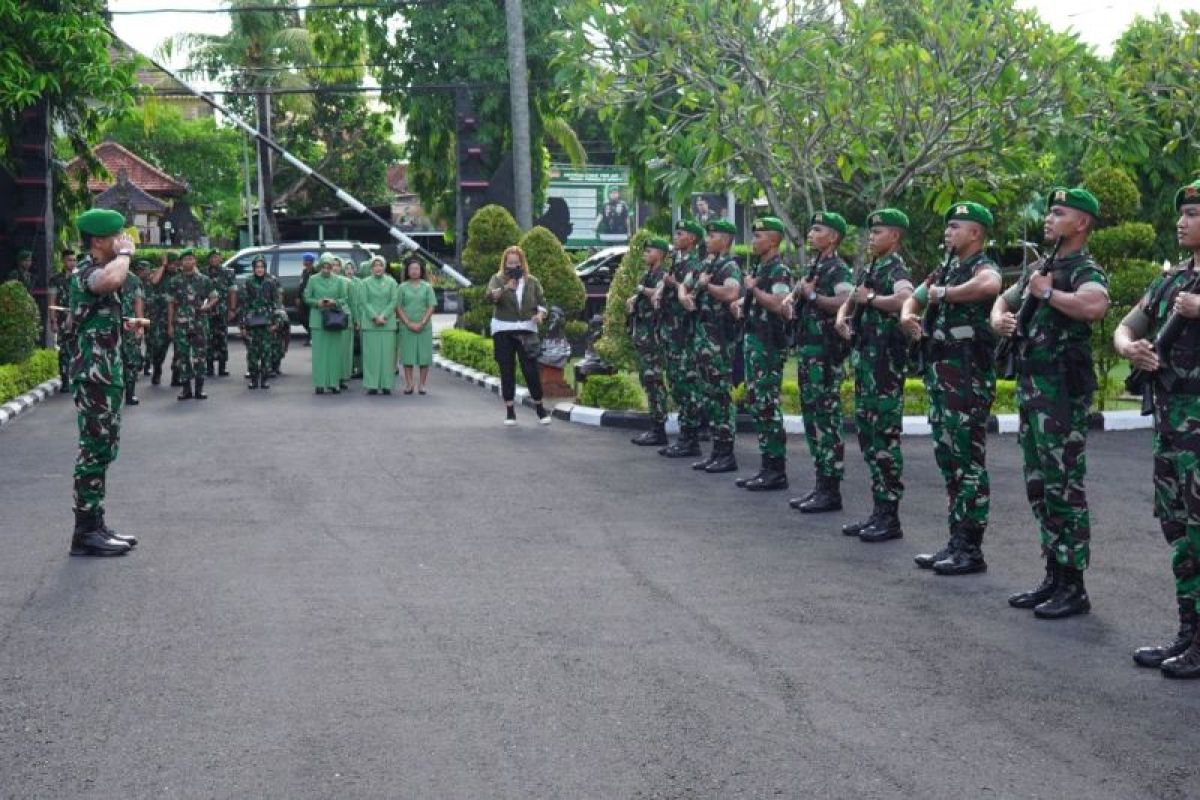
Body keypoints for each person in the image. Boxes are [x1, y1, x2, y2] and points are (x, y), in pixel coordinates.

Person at [991, 187, 1109, 619]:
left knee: (1065, 489)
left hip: (1061, 396)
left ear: (1081, 223)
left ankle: (1074, 585)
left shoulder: (1082, 268)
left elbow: (1095, 305)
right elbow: (1005, 298)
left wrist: (1046, 294)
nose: (1048, 219)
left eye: (1058, 213)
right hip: (1033, 394)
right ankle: (1053, 575)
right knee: (1039, 487)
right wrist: (998, 317)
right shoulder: (1044, 267)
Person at [1115, 179, 1200, 677]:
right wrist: (1131, 348)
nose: (1182, 222)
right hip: (1173, 430)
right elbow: (1127, 324)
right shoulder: (1171, 282)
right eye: (1183, 215)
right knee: (1181, 533)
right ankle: (1189, 632)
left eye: (1193, 214)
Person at [901, 202, 1002, 575]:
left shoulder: (980, 266)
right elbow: (917, 296)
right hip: (942, 375)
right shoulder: (946, 268)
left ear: (976, 233)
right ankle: (955, 539)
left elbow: (991, 285)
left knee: (968, 461)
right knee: (949, 460)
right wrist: (908, 315)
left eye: (956, 226)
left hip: (967, 377)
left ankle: (971, 548)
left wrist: (944, 294)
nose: (948, 232)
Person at [835, 209, 914, 542]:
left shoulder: (896, 269)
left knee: (884, 441)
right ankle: (878, 511)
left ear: (894, 236)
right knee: (869, 439)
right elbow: (855, 297)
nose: (871, 237)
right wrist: (843, 316)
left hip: (885, 369)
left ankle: (889, 516)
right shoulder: (872, 267)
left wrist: (873, 299)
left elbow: (905, 298)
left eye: (877, 232)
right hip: (867, 366)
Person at [66, 208, 137, 556]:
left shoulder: (99, 269)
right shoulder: (87, 272)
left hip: (105, 373)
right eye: (116, 237)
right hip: (94, 375)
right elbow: (110, 281)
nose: (123, 241)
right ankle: (84, 534)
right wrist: (125, 254)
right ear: (98, 241)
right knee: (92, 450)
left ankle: (96, 523)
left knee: (105, 448)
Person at [787, 212, 853, 513]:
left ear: (833, 237)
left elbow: (844, 302)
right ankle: (820, 485)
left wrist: (812, 296)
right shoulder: (815, 266)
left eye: (818, 229)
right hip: (809, 354)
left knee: (826, 420)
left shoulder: (838, 269)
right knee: (812, 420)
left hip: (825, 356)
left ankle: (831, 489)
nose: (811, 233)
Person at [735, 216, 793, 491]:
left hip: (768, 346)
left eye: (759, 236)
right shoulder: (762, 267)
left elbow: (779, 304)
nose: (754, 241)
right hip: (755, 343)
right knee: (758, 404)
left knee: (768, 405)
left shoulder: (779, 270)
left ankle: (775, 470)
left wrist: (753, 289)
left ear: (773, 240)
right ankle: (766, 467)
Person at [681, 220, 742, 473]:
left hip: (719, 342)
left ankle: (726, 453)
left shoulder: (729, 266)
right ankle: (716, 451)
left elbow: (731, 294)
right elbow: (688, 287)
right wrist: (687, 296)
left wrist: (707, 286)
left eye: (713, 235)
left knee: (720, 397)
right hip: (703, 339)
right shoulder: (708, 264)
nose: (707, 239)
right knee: (709, 395)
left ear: (726, 240)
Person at [656, 219, 706, 456]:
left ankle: (691, 439)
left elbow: (691, 295)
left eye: (681, 233)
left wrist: (672, 283)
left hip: (684, 334)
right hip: (671, 332)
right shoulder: (675, 262)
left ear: (692, 239)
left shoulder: (695, 265)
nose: (676, 237)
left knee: (688, 386)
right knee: (677, 383)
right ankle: (685, 437)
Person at [486, 245, 551, 425]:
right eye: (510, 262)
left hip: (527, 330)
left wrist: (540, 315)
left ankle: (539, 407)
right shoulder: (497, 279)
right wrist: (507, 287)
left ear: (522, 263)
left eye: (517, 262)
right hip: (503, 329)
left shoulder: (532, 281)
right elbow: (490, 298)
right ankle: (510, 410)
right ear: (505, 263)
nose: (514, 266)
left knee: (531, 370)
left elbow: (543, 303)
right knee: (506, 370)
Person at [626, 237, 671, 446]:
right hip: (643, 336)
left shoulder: (663, 275)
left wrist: (641, 291)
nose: (645, 254)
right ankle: (654, 424)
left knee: (655, 381)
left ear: (660, 254)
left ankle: (659, 428)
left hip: (654, 337)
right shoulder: (648, 274)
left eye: (649, 250)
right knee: (648, 381)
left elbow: (658, 294)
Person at [166, 249, 218, 400]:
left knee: (200, 356)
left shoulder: (204, 280)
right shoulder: (175, 281)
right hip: (181, 324)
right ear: (181, 263)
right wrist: (170, 325)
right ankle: (185, 389)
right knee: (182, 356)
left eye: (191, 259)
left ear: (195, 261)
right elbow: (170, 304)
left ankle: (199, 389)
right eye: (185, 259)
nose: (188, 261)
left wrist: (208, 306)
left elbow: (214, 296)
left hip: (199, 323)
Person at [303, 253, 350, 394]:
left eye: (329, 266)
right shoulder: (313, 279)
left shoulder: (340, 281)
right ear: (320, 267)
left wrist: (334, 302)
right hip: (318, 319)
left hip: (334, 319)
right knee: (319, 354)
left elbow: (344, 298)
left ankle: (333, 383)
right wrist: (317, 303)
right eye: (323, 266)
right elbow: (306, 297)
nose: (326, 269)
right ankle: (320, 383)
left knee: (334, 353)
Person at [358, 255, 401, 395]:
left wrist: (384, 316)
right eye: (375, 265)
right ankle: (372, 385)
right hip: (371, 325)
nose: (378, 268)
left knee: (387, 356)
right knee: (372, 356)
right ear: (371, 268)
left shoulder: (392, 282)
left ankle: (387, 384)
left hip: (387, 325)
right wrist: (375, 317)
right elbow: (364, 302)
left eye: (380, 265)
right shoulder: (364, 283)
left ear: (384, 267)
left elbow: (394, 301)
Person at [238, 255, 282, 389]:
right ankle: (253, 379)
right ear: (253, 269)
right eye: (257, 267)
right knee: (252, 352)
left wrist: (277, 322)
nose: (259, 269)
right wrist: (242, 325)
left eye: (262, 267)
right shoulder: (248, 282)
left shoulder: (271, 282)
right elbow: (243, 304)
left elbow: (276, 303)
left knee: (266, 352)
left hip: (267, 321)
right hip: (252, 322)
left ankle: (264, 379)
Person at [397, 254, 436, 394]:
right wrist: (408, 323)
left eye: (417, 269)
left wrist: (422, 322)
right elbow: (398, 307)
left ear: (421, 271)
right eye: (412, 269)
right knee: (407, 357)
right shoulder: (401, 287)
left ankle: (422, 385)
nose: (414, 271)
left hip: (424, 328)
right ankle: (409, 384)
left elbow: (431, 306)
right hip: (406, 328)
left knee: (424, 357)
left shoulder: (427, 287)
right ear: (407, 271)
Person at [48, 249, 78, 393]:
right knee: (64, 351)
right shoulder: (55, 279)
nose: (72, 263)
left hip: (79, 319)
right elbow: (52, 301)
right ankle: (65, 380)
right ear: (63, 261)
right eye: (69, 260)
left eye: (74, 260)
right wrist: (53, 321)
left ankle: (79, 378)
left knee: (80, 349)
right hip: (62, 319)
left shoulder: (80, 278)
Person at [203, 249, 236, 377]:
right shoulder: (204, 273)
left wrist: (232, 309)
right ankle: (209, 367)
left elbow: (232, 291)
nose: (214, 260)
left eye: (216, 257)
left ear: (220, 259)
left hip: (222, 309)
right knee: (208, 338)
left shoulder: (227, 273)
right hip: (208, 311)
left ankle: (222, 367)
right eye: (212, 257)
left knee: (222, 338)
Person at [143, 253, 174, 386]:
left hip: (178, 317)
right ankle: (157, 369)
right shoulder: (159, 273)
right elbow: (154, 281)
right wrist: (163, 265)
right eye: (171, 263)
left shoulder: (180, 275)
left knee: (181, 349)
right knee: (159, 347)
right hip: (160, 317)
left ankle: (177, 376)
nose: (174, 266)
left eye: (176, 263)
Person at [119, 262, 146, 406]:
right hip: (107, 326)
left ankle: (130, 394)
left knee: (131, 359)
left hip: (128, 325)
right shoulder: (105, 276)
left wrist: (139, 325)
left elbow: (138, 302)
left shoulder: (134, 280)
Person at [297, 252, 316, 345]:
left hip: (311, 298)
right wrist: (298, 297)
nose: (303, 262)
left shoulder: (315, 272)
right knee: (301, 317)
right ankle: (310, 334)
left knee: (309, 318)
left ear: (310, 262)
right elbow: (301, 285)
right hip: (303, 298)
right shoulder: (304, 272)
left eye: (305, 260)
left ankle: (310, 337)